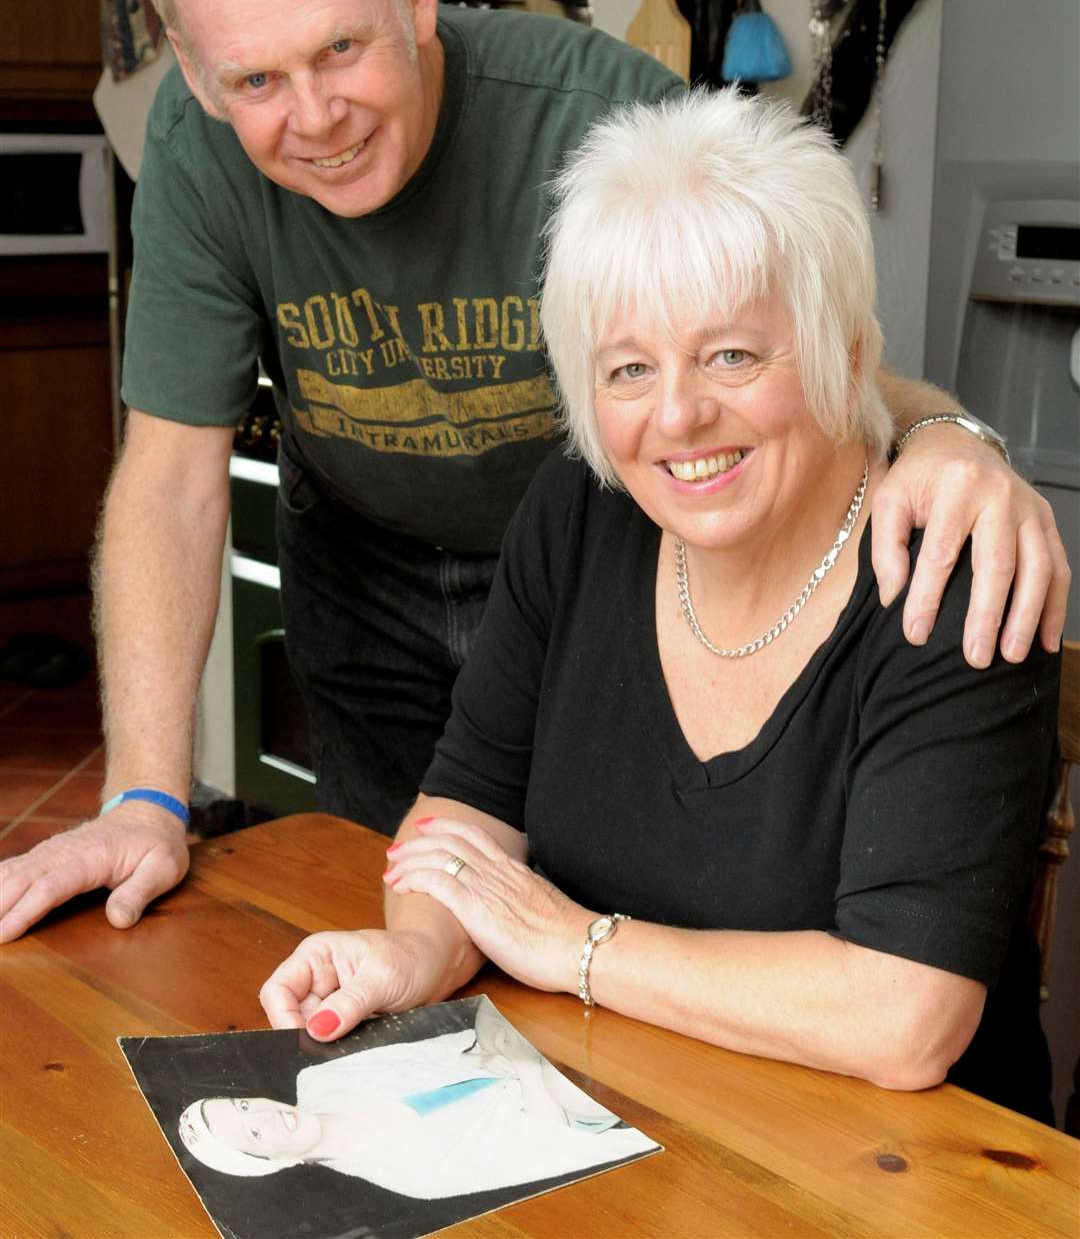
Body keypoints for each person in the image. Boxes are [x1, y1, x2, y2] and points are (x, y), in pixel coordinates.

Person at [0, 0, 1068, 946]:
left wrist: (947, 434)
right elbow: (172, 476)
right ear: (194, 71)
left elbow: (772, 360)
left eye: (339, 49)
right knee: (411, 919)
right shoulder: (197, 151)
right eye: (257, 83)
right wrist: (145, 797)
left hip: (589, 576)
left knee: (605, 903)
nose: (315, 118)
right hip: (368, 570)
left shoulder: (597, 115)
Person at [260, 90, 1061, 1124]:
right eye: (629, 370)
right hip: (617, 1113)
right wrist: (414, 950)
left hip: (889, 1176)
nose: (677, 415)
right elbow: (463, 813)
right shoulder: (579, 513)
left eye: (731, 354)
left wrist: (572, 947)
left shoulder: (948, 562)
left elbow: (905, 1016)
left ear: (847, 355)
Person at [177, 1005, 653, 1198]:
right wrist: (527, 1069)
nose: (264, 1114)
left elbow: (450, 1048)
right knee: (568, 1082)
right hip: (561, 1110)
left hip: (500, 1056)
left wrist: (494, 1050)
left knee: (505, 1010)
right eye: (254, 1133)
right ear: (271, 1164)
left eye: (242, 1106)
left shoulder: (321, 1076)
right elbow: (546, 1145)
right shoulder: (411, 1178)